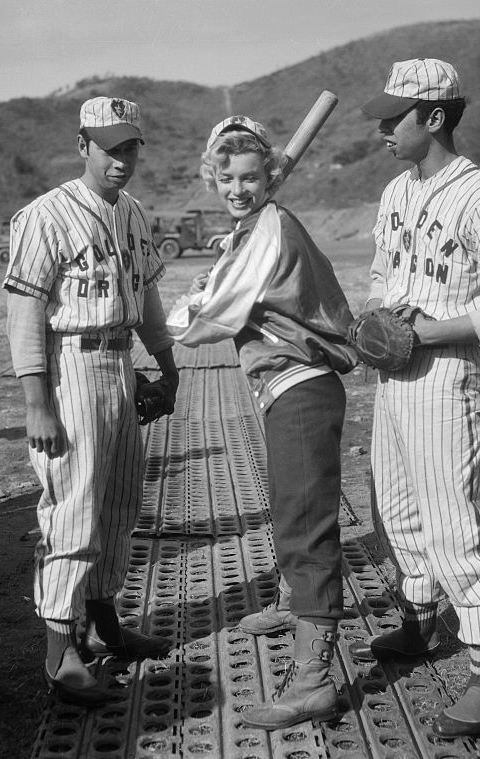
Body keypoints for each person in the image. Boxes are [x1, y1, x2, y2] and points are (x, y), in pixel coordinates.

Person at [350, 59, 480, 738]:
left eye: (392, 115)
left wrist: (423, 333)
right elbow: (381, 273)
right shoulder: (396, 191)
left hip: (445, 373)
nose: (380, 128)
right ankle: (421, 621)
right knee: (395, 507)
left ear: (434, 117)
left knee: (457, 523)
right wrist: (376, 319)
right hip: (396, 375)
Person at [167, 116, 358, 730]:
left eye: (251, 177)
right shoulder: (250, 232)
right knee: (291, 512)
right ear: (211, 180)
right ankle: (293, 605)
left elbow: (212, 318)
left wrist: (167, 316)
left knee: (306, 525)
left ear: (270, 175)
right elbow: (232, 289)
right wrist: (215, 279)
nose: (238, 189)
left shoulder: (270, 228)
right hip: (284, 385)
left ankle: (313, 680)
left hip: (302, 385)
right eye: (226, 178)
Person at [3, 96, 180, 706]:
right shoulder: (44, 215)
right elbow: (25, 312)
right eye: (110, 148)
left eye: (131, 147)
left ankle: (105, 627)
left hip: (119, 358)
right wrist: (36, 404)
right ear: (84, 146)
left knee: (120, 502)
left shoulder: (131, 212)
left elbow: (149, 295)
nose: (122, 160)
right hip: (69, 364)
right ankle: (60, 652)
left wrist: (168, 363)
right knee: (73, 507)